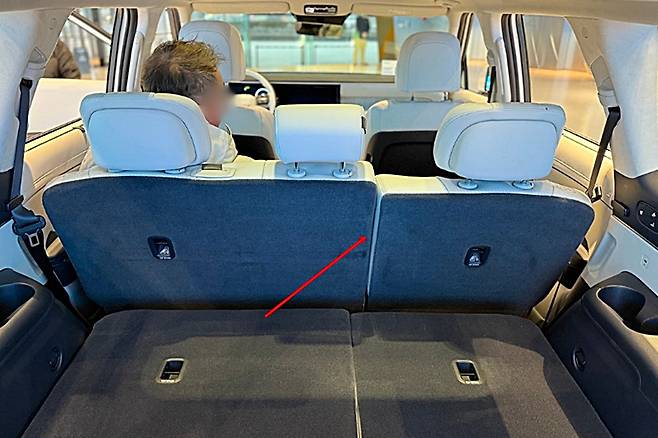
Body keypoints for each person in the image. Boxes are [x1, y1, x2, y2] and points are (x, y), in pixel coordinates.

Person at [80, 40, 238, 170]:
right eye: (220, 94)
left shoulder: (105, 142)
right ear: (196, 104)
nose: (224, 103)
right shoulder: (218, 144)